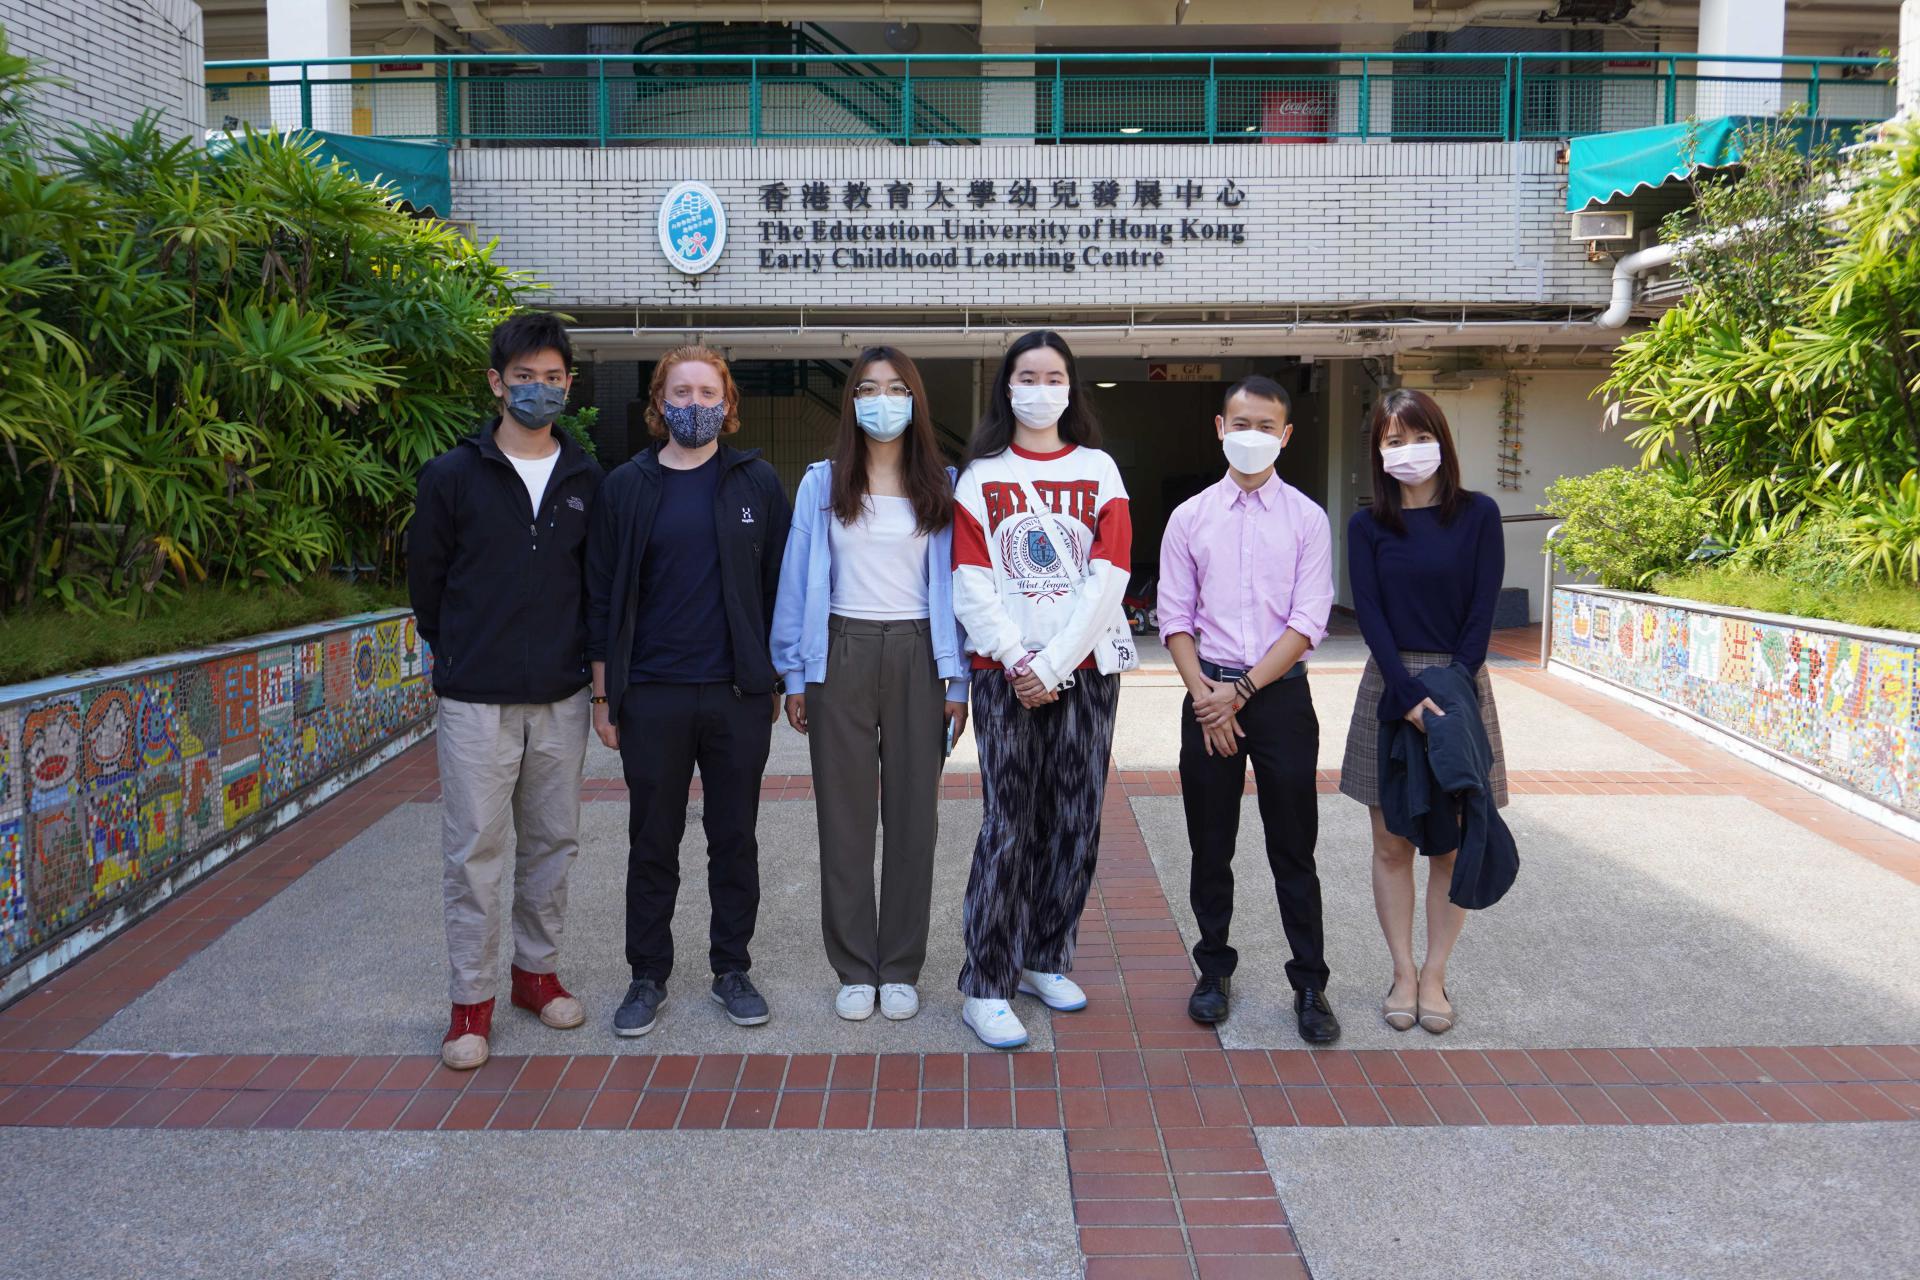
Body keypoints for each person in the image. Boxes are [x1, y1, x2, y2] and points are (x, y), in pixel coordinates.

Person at [408, 312, 604, 1071]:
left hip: (560, 697)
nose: (540, 390)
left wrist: (592, 676)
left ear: (568, 386)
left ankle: (535, 975)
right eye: (525, 378)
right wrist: (457, 652)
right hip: (476, 700)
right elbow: (427, 583)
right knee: (475, 852)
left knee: (553, 843)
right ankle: (469, 1004)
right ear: (496, 383)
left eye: (554, 378)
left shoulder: (588, 477)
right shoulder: (453, 475)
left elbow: (595, 587)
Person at [585, 346, 792, 1038]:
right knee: (653, 840)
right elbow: (603, 595)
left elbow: (776, 591)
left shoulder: (757, 483)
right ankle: (647, 976)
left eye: (708, 392)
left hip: (736, 696)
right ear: (658, 402)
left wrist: (773, 678)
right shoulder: (627, 486)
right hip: (653, 695)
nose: (695, 404)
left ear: (728, 405)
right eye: (682, 391)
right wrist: (603, 694)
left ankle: (732, 968)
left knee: (734, 839)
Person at [770, 347, 969, 1024]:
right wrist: (794, 670)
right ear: (851, 401)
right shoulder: (821, 483)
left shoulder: (943, 483)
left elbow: (960, 589)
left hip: (919, 651)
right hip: (841, 651)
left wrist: (958, 678)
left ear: (915, 400)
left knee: (916, 819)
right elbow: (797, 582)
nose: (882, 400)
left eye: (895, 388)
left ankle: (902, 965)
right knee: (845, 820)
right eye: (867, 388)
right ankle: (856, 966)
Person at [950, 329, 1132, 1050]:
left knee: (1076, 819)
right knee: (1008, 824)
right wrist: (1018, 658)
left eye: (1054, 375)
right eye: (1027, 375)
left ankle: (1044, 957)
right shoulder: (980, 476)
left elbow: (1109, 575)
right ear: (1007, 386)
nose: (1040, 387)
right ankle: (986, 984)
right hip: (1005, 677)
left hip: (1083, 673)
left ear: (1070, 387)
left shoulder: (1099, 469)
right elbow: (970, 581)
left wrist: (1053, 664)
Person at [1158, 376, 1340, 1044]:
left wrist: (1241, 692)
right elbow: (1173, 618)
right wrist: (1207, 694)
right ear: (1219, 427)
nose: (1252, 435)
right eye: (1241, 423)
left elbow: (1308, 620)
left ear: (1285, 436)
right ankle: (1212, 971)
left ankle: (1312, 983)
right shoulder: (1190, 518)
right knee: (1211, 845)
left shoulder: (1307, 519)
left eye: (1266, 425)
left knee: (1293, 847)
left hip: (1280, 698)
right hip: (1206, 696)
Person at [1340, 388, 1507, 1036]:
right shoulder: (1367, 526)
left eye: (1418, 436)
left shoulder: (1480, 516)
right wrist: (1408, 697)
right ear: (1378, 453)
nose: (1408, 451)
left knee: (1451, 842)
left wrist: (1450, 694)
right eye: (1393, 440)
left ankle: (1435, 974)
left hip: (1461, 684)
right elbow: (1372, 616)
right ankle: (1401, 972)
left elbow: (1482, 611)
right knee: (1390, 842)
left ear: (1441, 439)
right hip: (1389, 686)